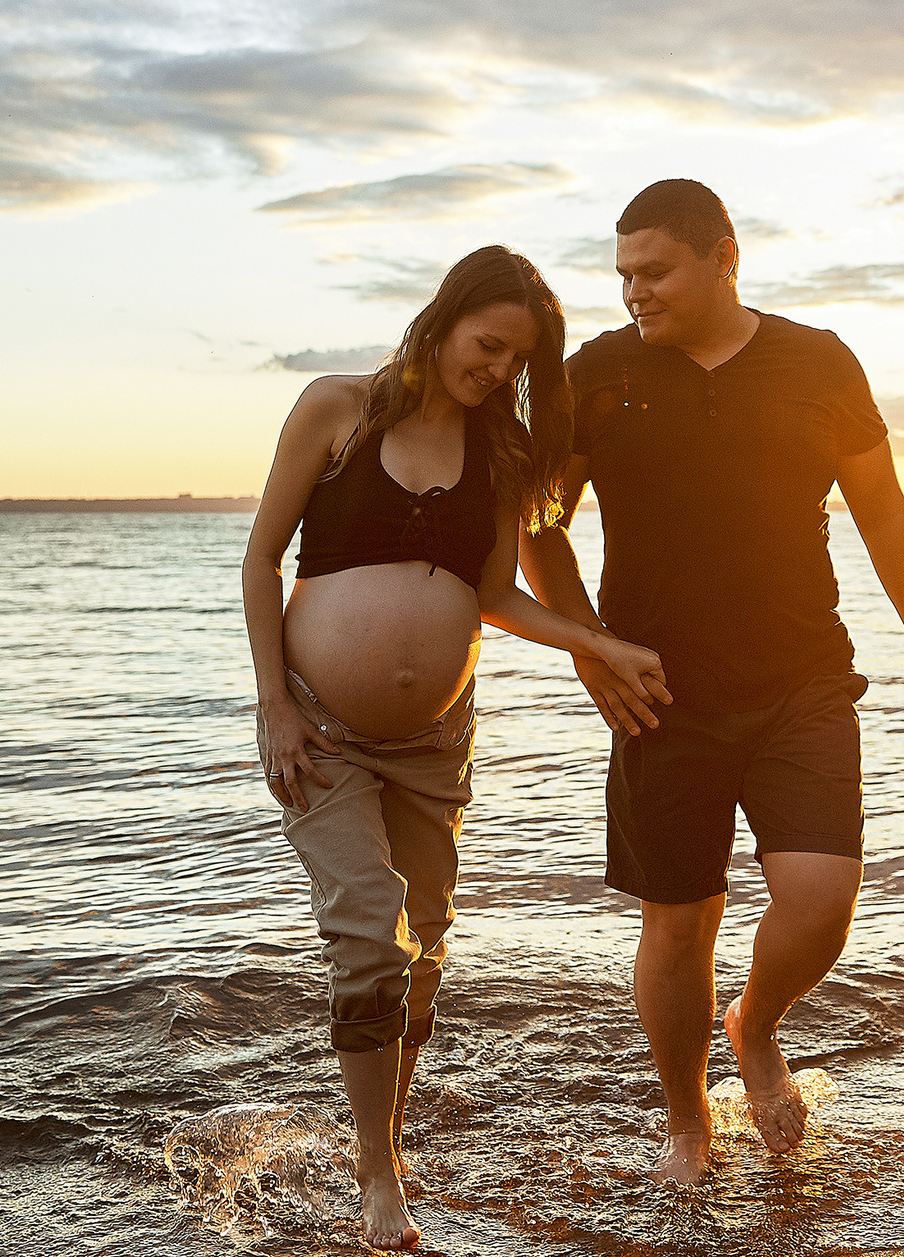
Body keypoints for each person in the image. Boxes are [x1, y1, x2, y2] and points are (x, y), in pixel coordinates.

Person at [518, 180, 904, 1185]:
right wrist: (590, 645)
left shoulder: (817, 361)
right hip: (658, 693)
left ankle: (755, 1023)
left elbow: (884, 515)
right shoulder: (597, 374)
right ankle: (687, 1121)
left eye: (656, 270)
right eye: (623, 273)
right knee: (677, 923)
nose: (635, 290)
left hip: (801, 679)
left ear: (723, 256)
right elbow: (540, 521)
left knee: (819, 899)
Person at [243, 245, 669, 1251]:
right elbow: (262, 559)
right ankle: (381, 1174)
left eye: (517, 361)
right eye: (487, 346)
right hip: (322, 730)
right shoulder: (334, 409)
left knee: (422, 947)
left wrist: (594, 641)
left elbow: (492, 594)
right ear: (443, 321)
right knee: (366, 928)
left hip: (435, 740)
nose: (496, 372)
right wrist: (271, 703)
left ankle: (378, 1134)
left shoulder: (503, 450)